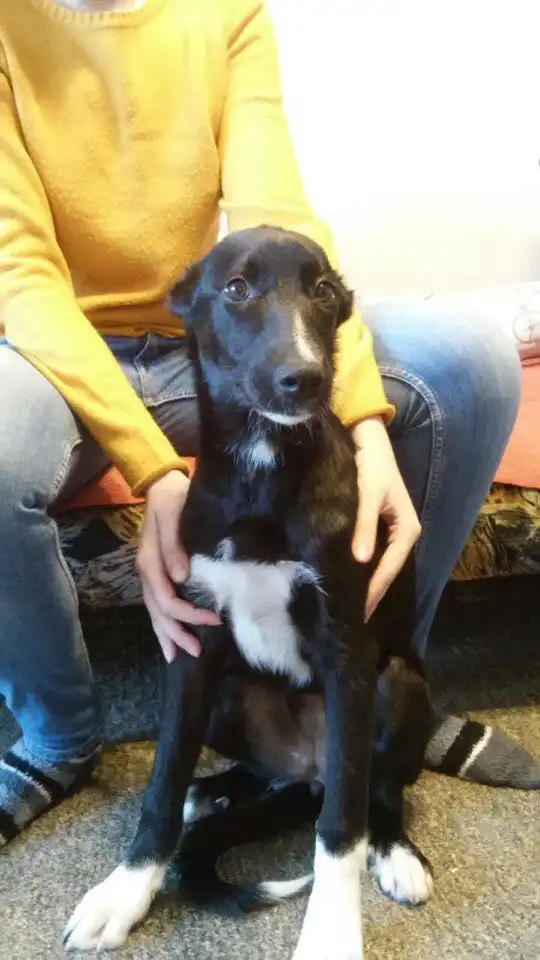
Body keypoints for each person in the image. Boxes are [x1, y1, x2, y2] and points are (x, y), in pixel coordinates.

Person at [0, 0, 535, 849]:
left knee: (473, 362)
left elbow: (281, 219)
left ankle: (377, 685)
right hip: (66, 348)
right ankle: (59, 737)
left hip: (223, 337)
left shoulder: (225, 13)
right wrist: (154, 469)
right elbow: (20, 272)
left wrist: (364, 416)